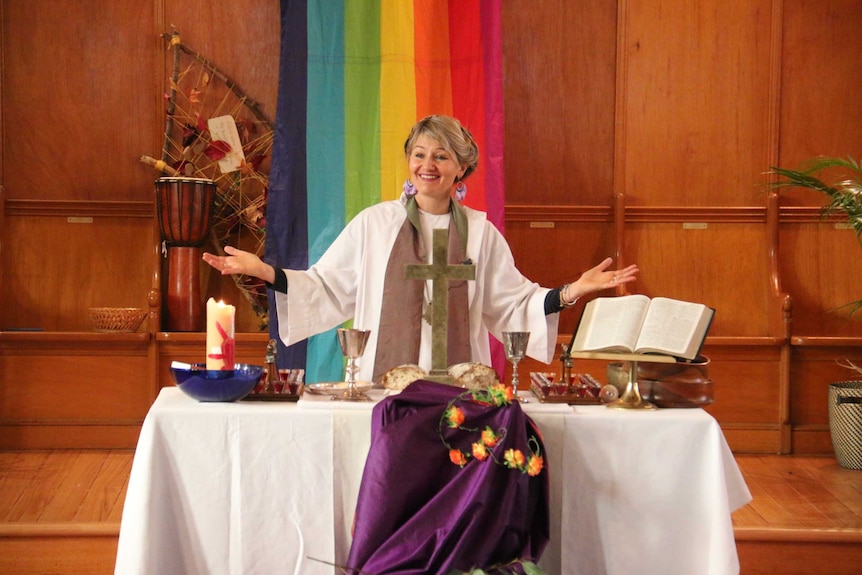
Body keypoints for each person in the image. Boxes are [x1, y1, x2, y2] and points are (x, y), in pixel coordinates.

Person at [203, 115, 638, 383]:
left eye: (441, 157)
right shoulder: (376, 224)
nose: (428, 165)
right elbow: (327, 286)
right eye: (419, 154)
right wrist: (266, 272)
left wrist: (572, 291)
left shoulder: (480, 233)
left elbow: (513, 301)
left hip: (461, 385)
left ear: (462, 167)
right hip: (384, 384)